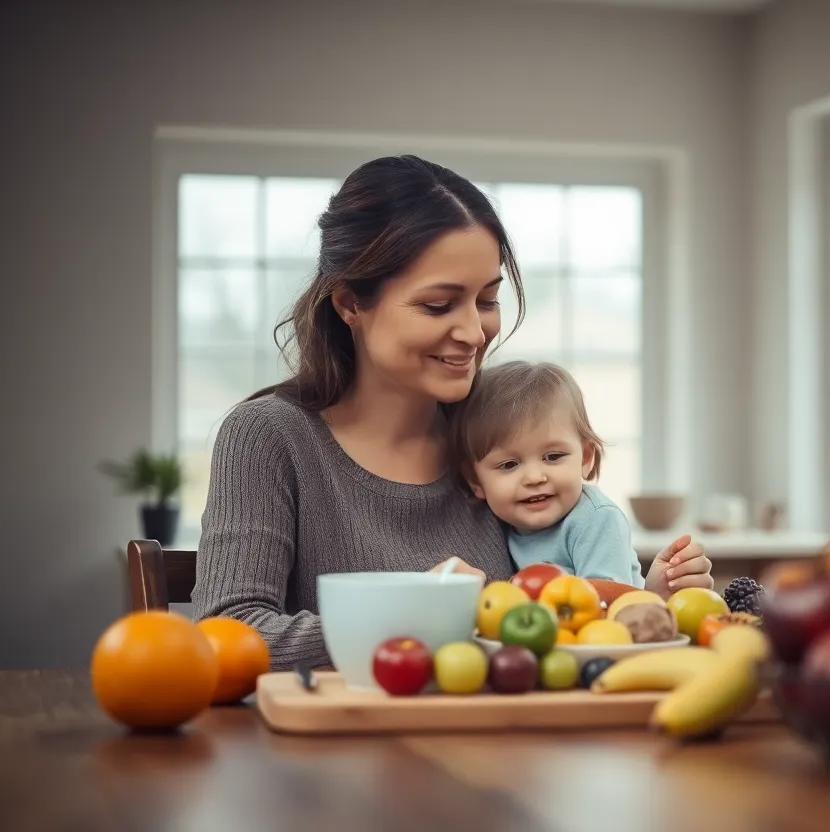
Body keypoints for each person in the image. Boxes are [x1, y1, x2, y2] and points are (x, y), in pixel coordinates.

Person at [190, 154, 713, 671]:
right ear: (350, 303)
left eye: (487, 300)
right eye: (439, 305)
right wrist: (429, 615)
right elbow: (228, 634)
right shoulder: (268, 437)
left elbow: (563, 615)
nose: (473, 332)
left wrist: (644, 597)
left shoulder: (497, 436)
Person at [448, 359, 650, 588]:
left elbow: (608, 598)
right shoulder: (496, 523)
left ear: (584, 458)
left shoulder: (597, 520)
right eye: (509, 465)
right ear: (476, 481)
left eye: (552, 457)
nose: (535, 477)